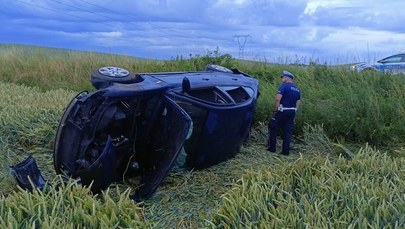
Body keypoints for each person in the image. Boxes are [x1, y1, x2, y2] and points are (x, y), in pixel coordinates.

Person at [267, 70, 301, 155]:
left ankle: (272, 148)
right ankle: (285, 152)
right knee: (287, 132)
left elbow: (278, 99)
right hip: (292, 112)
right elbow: (298, 102)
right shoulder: (297, 89)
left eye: (283, 77)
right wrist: (294, 112)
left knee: (273, 127)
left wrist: (275, 109)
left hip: (282, 111)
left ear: (286, 78)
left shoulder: (284, 86)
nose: (282, 79)